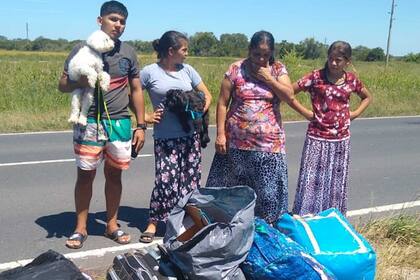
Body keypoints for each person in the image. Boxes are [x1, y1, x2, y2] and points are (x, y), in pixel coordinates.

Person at [58, 1, 146, 249]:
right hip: (89, 122)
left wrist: (141, 125)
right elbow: (62, 85)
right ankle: (80, 228)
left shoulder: (128, 52)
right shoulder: (81, 49)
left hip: (120, 122)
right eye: (113, 19)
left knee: (115, 175)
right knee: (85, 175)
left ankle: (111, 225)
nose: (118, 25)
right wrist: (81, 81)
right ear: (100, 20)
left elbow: (136, 89)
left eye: (122, 21)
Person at [205, 31, 297, 224]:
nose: (261, 59)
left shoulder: (278, 69)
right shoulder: (236, 69)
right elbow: (222, 103)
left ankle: (266, 234)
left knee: (268, 194)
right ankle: (232, 233)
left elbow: (289, 96)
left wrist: (269, 79)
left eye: (266, 55)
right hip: (236, 144)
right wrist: (220, 134)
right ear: (250, 50)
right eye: (257, 54)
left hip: (268, 145)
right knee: (233, 194)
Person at [139, 30, 212, 243]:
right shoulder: (149, 72)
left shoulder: (188, 71)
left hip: (190, 136)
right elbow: (129, 95)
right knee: (165, 181)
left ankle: (186, 222)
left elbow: (207, 94)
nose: (187, 53)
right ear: (171, 51)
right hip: (166, 137)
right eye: (184, 49)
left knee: (190, 182)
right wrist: (145, 116)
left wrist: (198, 108)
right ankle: (154, 222)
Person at [292, 41, 372, 216]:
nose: (334, 63)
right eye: (331, 59)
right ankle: (306, 219)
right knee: (311, 181)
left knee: (335, 182)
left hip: (341, 140)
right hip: (317, 137)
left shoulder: (351, 80)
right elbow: (290, 92)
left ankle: (331, 219)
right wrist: (306, 113)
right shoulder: (315, 77)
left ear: (347, 62)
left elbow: (367, 97)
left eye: (338, 60)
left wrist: (355, 113)